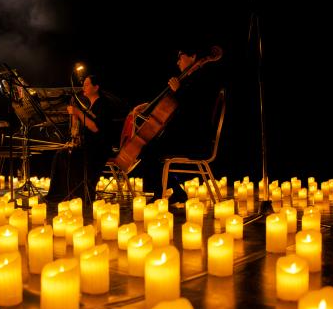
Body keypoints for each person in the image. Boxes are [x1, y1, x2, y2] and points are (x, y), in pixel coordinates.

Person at [134, 46, 227, 207]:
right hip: (187, 135)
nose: (178, 62)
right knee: (149, 148)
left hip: (196, 139)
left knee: (149, 149)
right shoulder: (189, 80)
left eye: (180, 57)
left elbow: (195, 109)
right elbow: (173, 105)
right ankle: (176, 192)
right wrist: (149, 106)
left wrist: (178, 90)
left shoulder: (203, 78)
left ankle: (162, 194)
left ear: (193, 56)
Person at [46, 74, 118, 204]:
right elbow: (80, 128)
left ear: (96, 87)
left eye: (87, 84)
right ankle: (65, 194)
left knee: (64, 155)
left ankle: (71, 195)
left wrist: (78, 113)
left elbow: (95, 128)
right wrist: (75, 116)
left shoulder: (102, 104)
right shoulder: (90, 106)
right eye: (83, 85)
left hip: (99, 149)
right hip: (89, 145)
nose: (83, 87)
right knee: (62, 154)